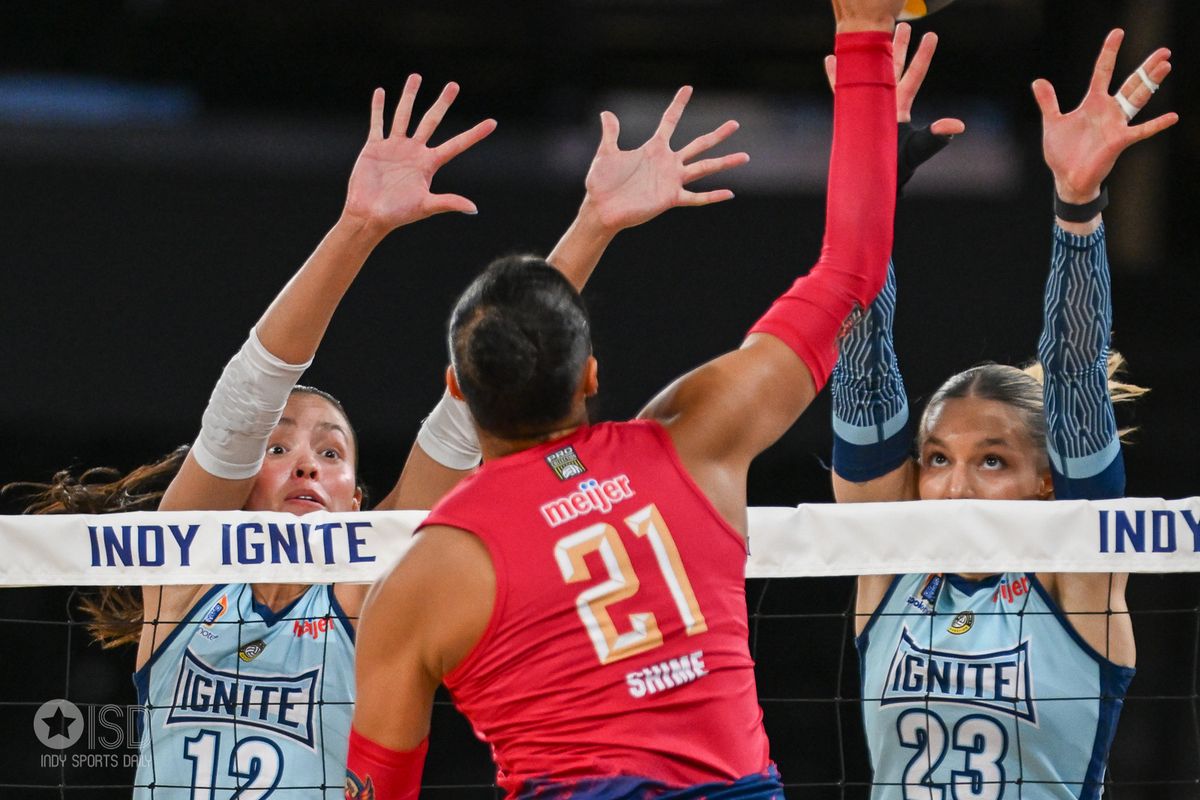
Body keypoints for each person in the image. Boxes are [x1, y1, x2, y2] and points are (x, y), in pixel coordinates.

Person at [4, 71, 750, 798]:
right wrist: (356, 227)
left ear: (356, 503)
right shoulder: (185, 574)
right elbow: (244, 401)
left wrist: (593, 226)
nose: (305, 464)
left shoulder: (374, 594)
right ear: (241, 485)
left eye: (330, 452)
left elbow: (474, 406)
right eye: (278, 448)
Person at [346, 1, 905, 797]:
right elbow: (853, 266)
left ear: (456, 392)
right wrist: (863, 36)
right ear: (590, 376)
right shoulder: (694, 441)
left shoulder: (423, 577)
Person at [828, 29, 1177, 799]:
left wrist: (1077, 207)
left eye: (992, 460)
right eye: (937, 459)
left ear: (1047, 480)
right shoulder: (892, 562)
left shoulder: (1076, 577)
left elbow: (1076, 375)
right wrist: (869, 180)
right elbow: (860, 363)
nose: (955, 487)